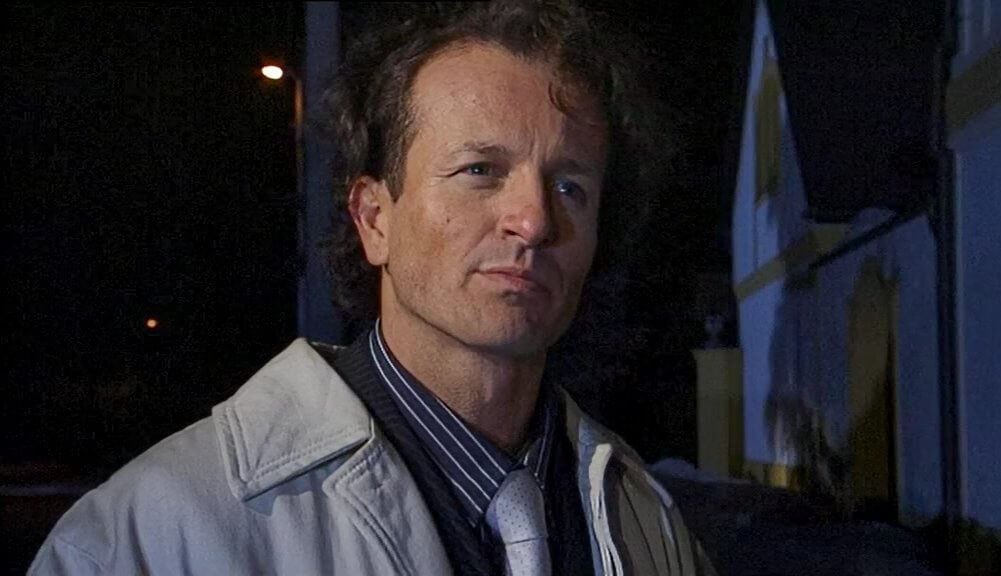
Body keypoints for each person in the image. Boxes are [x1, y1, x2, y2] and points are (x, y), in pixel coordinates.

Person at [31, 1, 715, 574]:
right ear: (374, 219)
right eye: (479, 170)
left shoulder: (645, 518)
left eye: (570, 186)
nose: (534, 220)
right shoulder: (155, 533)